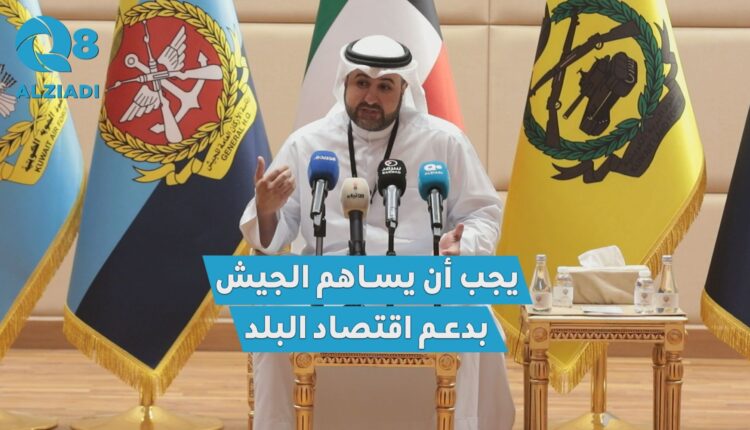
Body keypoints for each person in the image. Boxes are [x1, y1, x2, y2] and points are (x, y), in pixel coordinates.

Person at [240, 35, 514, 430]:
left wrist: (464, 243)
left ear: (404, 89)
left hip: (421, 286)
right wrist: (267, 211)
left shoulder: (443, 142)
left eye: (385, 86)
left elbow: (483, 213)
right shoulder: (307, 144)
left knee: (472, 315)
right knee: (277, 321)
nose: (371, 97)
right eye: (361, 83)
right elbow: (273, 236)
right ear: (345, 83)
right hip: (328, 287)